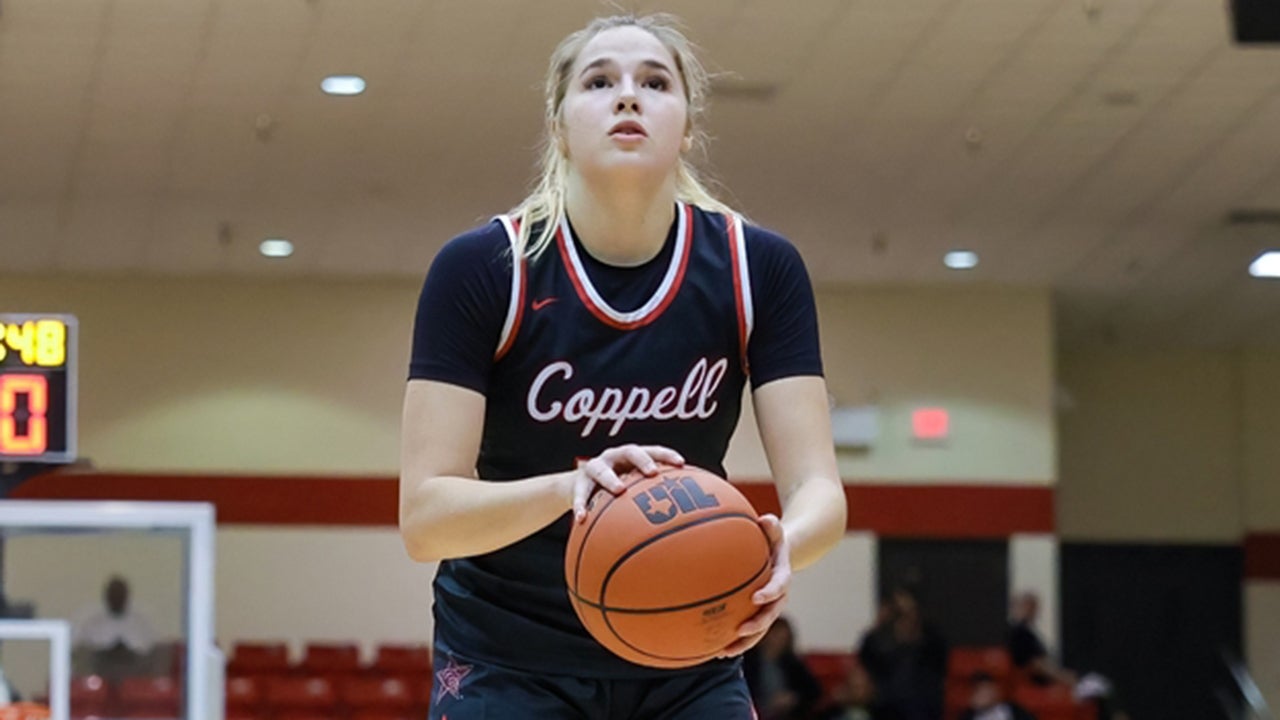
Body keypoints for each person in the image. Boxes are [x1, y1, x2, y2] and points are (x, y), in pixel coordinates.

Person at [398, 12, 846, 720]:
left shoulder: (758, 268)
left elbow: (820, 488)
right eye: (599, 81)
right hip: (509, 656)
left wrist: (778, 550)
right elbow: (425, 518)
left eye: (655, 82)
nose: (628, 96)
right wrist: (575, 487)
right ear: (558, 125)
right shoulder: (486, 268)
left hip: (692, 648)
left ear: (688, 126)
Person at [856, 584, 948, 720]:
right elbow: (866, 665)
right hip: (884, 706)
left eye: (910, 610)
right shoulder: (877, 639)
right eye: (899, 612)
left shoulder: (932, 638)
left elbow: (938, 670)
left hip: (921, 706)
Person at [71, 576, 156, 681]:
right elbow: (82, 648)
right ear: (106, 596)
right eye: (113, 595)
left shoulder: (140, 622)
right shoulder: (93, 621)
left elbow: (147, 649)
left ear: (126, 596)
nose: (117, 598)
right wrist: (108, 652)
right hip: (100, 666)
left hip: (131, 666)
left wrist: (125, 652)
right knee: (82, 654)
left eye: (120, 595)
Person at [743, 616, 823, 720]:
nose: (778, 640)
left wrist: (793, 698)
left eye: (783, 637)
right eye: (775, 635)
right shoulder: (748, 661)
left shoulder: (792, 663)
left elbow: (813, 691)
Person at [957, 672, 1035, 720]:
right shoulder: (967, 717)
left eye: (988, 690)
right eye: (979, 692)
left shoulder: (1015, 710)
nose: (985, 696)